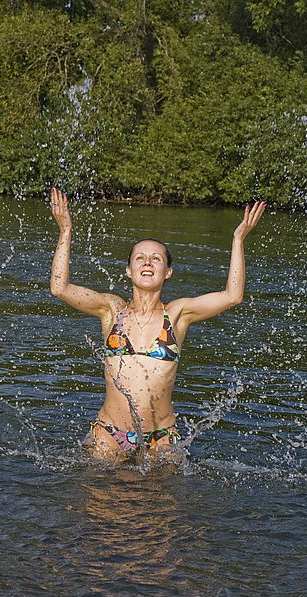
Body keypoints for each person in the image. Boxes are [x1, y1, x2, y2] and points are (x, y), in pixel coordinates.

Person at [49, 188, 266, 463]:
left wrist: (238, 239)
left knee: (163, 505)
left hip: (161, 438)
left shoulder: (177, 314)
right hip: (110, 434)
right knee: (99, 503)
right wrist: (65, 230)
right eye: (140, 258)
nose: (148, 262)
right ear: (129, 270)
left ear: (168, 271)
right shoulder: (111, 310)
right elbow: (60, 288)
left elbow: (233, 296)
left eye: (156, 258)